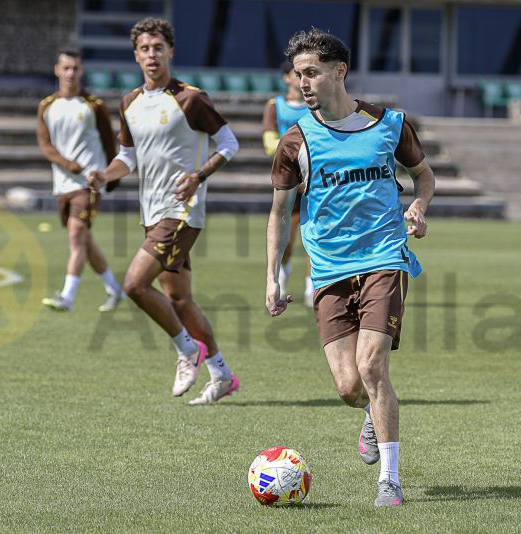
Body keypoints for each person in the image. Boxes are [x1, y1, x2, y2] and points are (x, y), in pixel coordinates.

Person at [265, 28, 435, 507]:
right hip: (329, 270)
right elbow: (278, 213)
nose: (303, 83)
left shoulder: (389, 124)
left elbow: (424, 176)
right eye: (298, 74)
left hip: (384, 257)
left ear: (339, 71)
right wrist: (272, 277)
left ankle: (389, 480)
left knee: (372, 366)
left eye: (312, 72)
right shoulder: (295, 141)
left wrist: (419, 206)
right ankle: (368, 414)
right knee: (347, 387)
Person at [90, 18, 240, 405]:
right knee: (179, 300)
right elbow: (127, 157)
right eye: (144, 49)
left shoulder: (191, 99)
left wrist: (199, 176)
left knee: (134, 285)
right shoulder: (130, 102)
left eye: (158, 47)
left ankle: (187, 350)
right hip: (152, 213)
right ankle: (222, 373)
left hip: (182, 211)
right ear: (136, 56)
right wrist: (103, 175)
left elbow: (229, 143)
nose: (152, 54)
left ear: (170, 52)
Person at [37, 49, 124, 313]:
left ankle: (67, 297)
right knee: (83, 240)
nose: (70, 73)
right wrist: (67, 164)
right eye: (66, 68)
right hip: (62, 184)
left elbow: (109, 144)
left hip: (88, 183)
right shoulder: (46, 105)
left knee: (76, 235)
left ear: (81, 71)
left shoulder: (94, 106)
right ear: (57, 70)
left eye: (75, 68)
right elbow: (45, 144)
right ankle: (114, 289)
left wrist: (111, 178)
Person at [261, 61, 313, 307]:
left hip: (314, 180)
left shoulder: (316, 105)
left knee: (314, 237)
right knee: (288, 240)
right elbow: (270, 142)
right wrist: (293, 158)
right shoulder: (275, 105)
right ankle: (284, 268)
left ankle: (312, 287)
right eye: (297, 74)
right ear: (286, 78)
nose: (302, 79)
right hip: (289, 179)